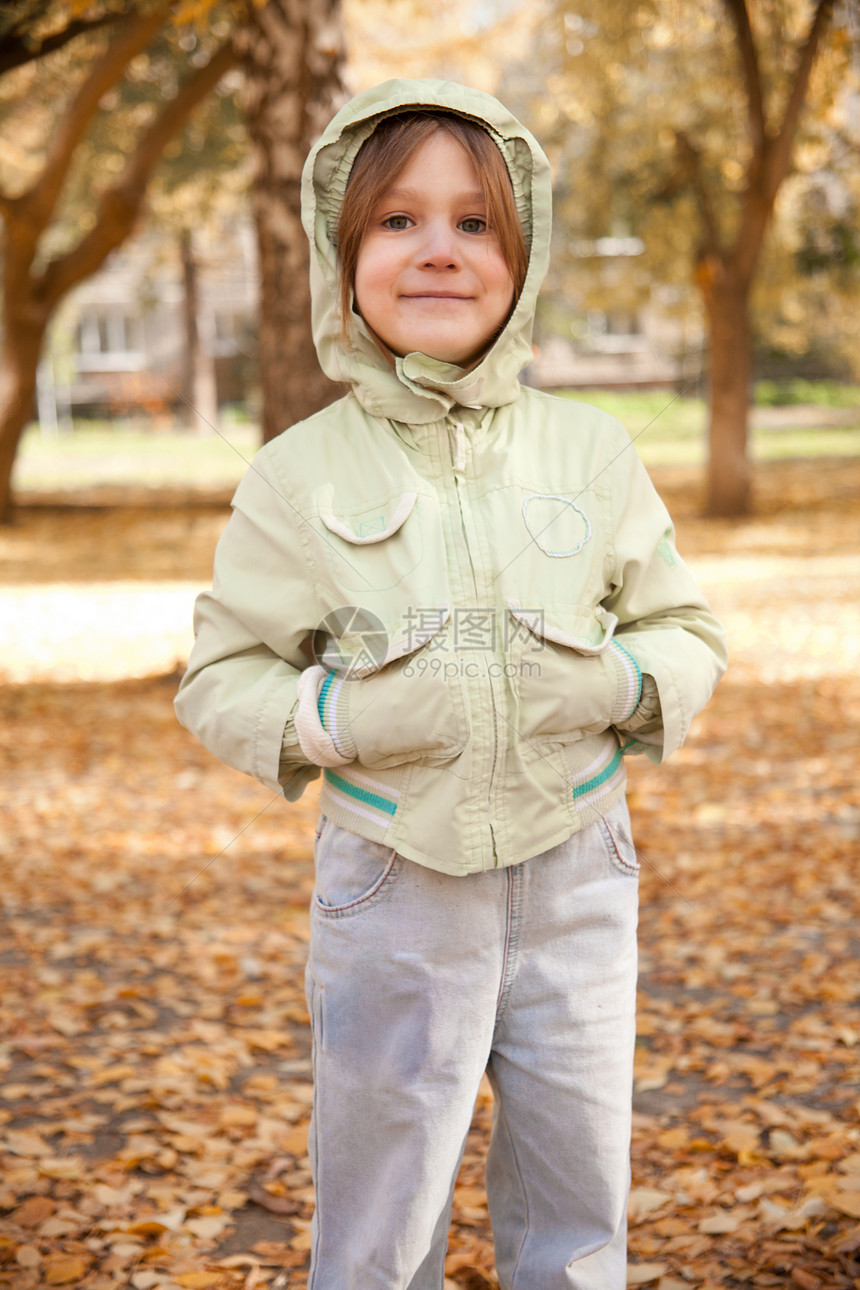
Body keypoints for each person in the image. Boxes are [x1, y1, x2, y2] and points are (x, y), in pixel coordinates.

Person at [175, 78, 727, 1290]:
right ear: (344, 253)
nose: (438, 250)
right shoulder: (295, 473)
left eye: (475, 222)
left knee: (576, 1199)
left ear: (521, 257)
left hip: (579, 866)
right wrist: (340, 716)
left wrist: (622, 684)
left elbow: (684, 627)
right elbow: (219, 675)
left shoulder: (589, 450)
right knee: (382, 1212)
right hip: (392, 882)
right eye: (399, 222)